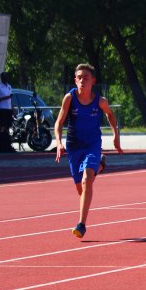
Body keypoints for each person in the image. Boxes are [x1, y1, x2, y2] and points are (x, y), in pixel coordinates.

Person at [54, 63, 122, 238]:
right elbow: (59, 123)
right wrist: (59, 143)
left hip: (92, 144)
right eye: (79, 77)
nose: (82, 80)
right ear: (75, 80)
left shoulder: (100, 101)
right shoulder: (69, 98)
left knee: (87, 180)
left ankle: (81, 225)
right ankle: (99, 166)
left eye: (86, 77)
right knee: (81, 188)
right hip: (74, 145)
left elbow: (111, 116)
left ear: (93, 81)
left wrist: (116, 136)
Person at [0, 71, 14, 153]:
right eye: (5, 77)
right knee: (0, 126)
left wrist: (13, 108)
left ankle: (7, 144)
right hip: (1, 109)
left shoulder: (9, 86)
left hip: (8, 110)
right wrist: (4, 98)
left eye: (7, 76)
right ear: (2, 78)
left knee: (8, 126)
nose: (6, 78)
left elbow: (10, 99)